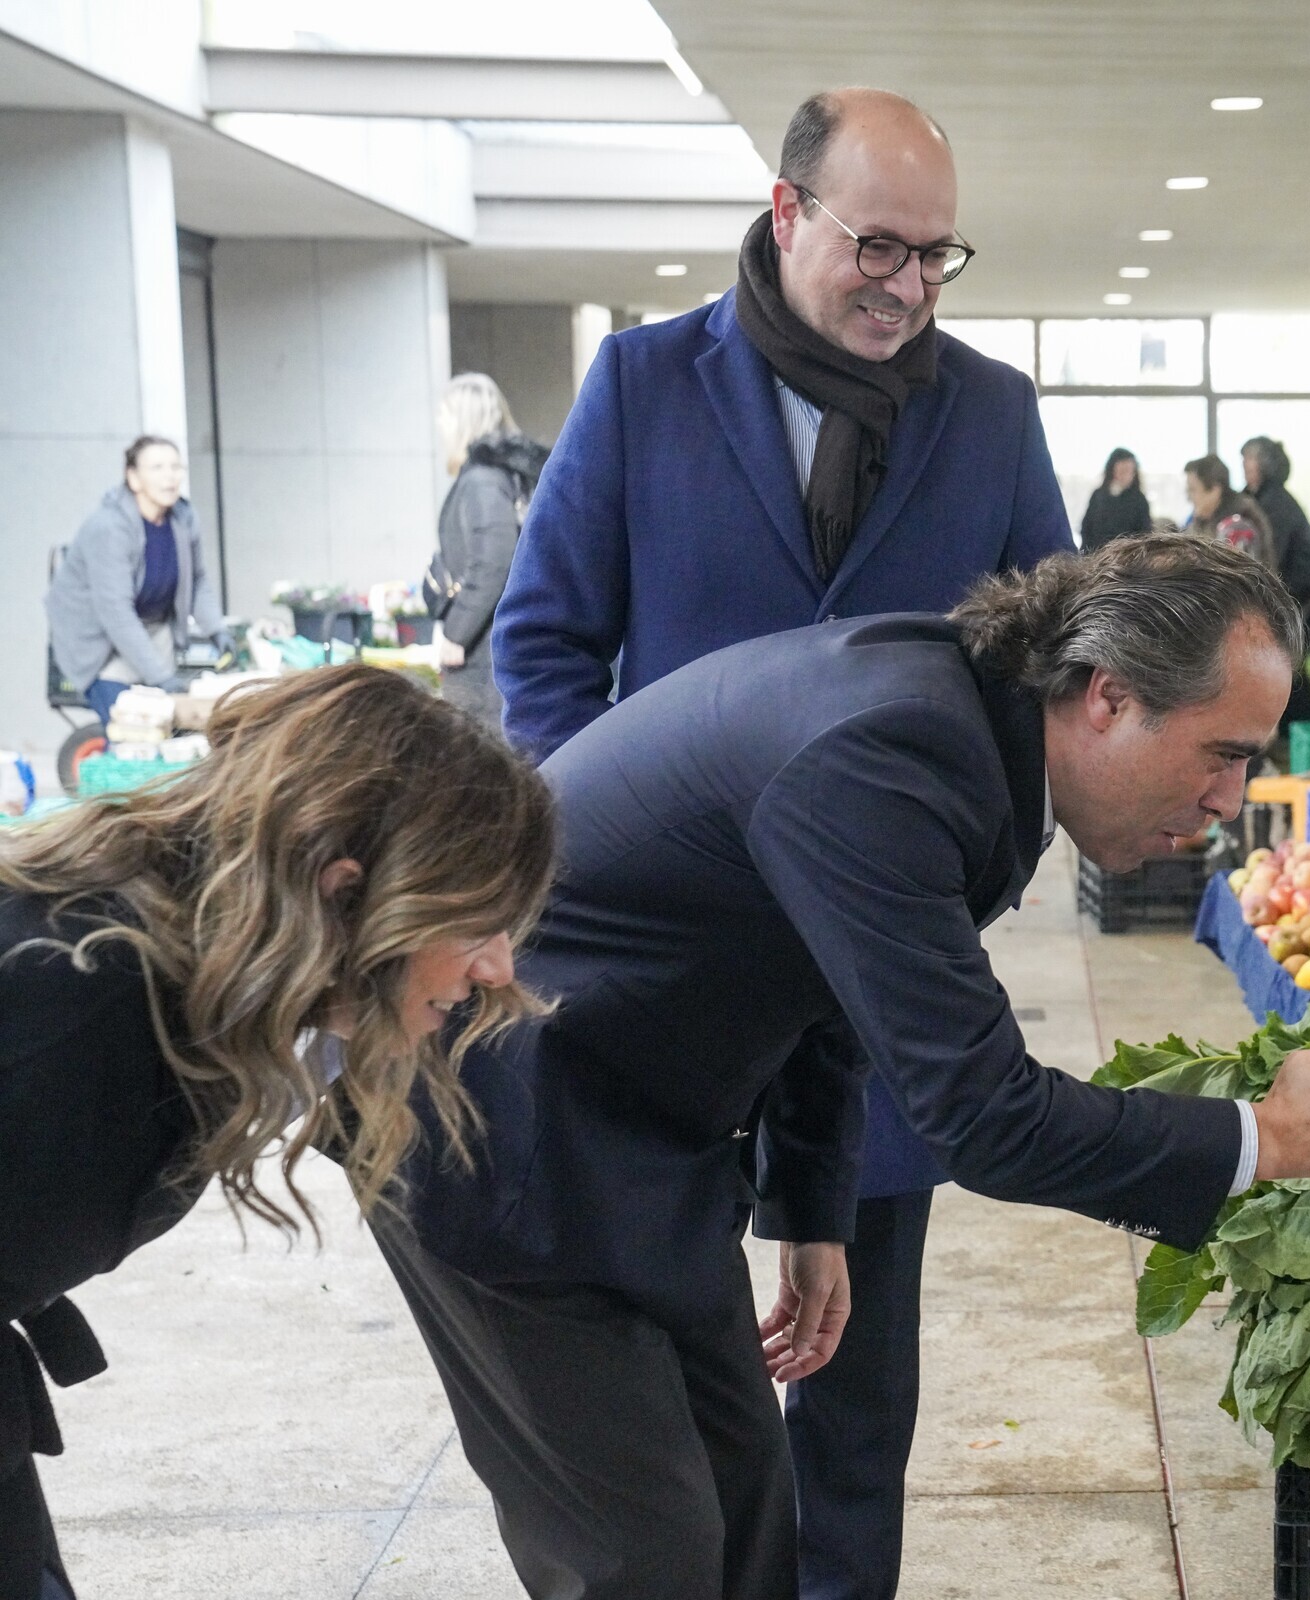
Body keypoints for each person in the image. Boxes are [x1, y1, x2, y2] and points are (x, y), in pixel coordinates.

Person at [385, 535, 1310, 1600]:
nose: (1231, 801)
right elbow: (987, 1115)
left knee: (745, 1525)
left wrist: (813, 1204)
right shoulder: (893, 755)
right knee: (643, 1563)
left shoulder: (966, 731)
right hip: (499, 1135)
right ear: (1108, 695)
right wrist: (1268, 1136)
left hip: (644, 1124)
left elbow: (833, 984)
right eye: (1223, 753)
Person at [486, 88, 1075, 1599]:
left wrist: (947, 886)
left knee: (859, 1401)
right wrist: (598, 859)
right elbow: (546, 651)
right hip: (662, 986)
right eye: (878, 246)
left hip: (873, 990)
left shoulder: (992, 413)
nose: (906, 286)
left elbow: (1044, 676)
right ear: (786, 209)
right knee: (678, 1403)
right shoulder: (642, 384)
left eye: (939, 258)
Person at [0, 666, 554, 1600]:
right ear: (341, 894)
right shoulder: (86, 1011)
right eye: (478, 922)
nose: (501, 966)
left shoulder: (187, 968)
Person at [45, 437, 230, 731]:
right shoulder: (109, 527)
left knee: (170, 729)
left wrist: (217, 630)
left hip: (152, 629)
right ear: (133, 478)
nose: (170, 476)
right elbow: (115, 612)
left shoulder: (184, 516)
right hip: (100, 642)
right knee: (132, 732)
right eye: (157, 467)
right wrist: (160, 678)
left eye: (175, 466)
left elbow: (196, 581)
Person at [429, 373, 548, 732]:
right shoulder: (507, 477)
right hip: (498, 649)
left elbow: (495, 559)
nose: (439, 425)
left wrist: (456, 632)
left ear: (463, 420)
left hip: (483, 659)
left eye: (445, 415)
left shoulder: (482, 480)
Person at [1242, 435, 1310, 611]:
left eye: (1251, 458)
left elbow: (1273, 551)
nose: (1245, 464)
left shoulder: (1275, 501)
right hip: (1295, 582)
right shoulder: (1255, 498)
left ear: (1265, 463)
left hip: (1304, 584)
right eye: (1244, 458)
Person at [1184, 454, 1278, 569]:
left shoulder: (1239, 523)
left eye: (1192, 490)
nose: (1188, 497)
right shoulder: (1202, 519)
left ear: (1215, 490)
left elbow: (1234, 578)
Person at [1078, 447, 1150, 552]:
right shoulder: (1098, 496)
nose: (1126, 475)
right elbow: (1086, 529)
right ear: (1112, 470)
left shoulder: (1139, 500)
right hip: (1096, 557)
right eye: (1122, 470)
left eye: (1129, 471)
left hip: (1126, 559)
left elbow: (1144, 534)